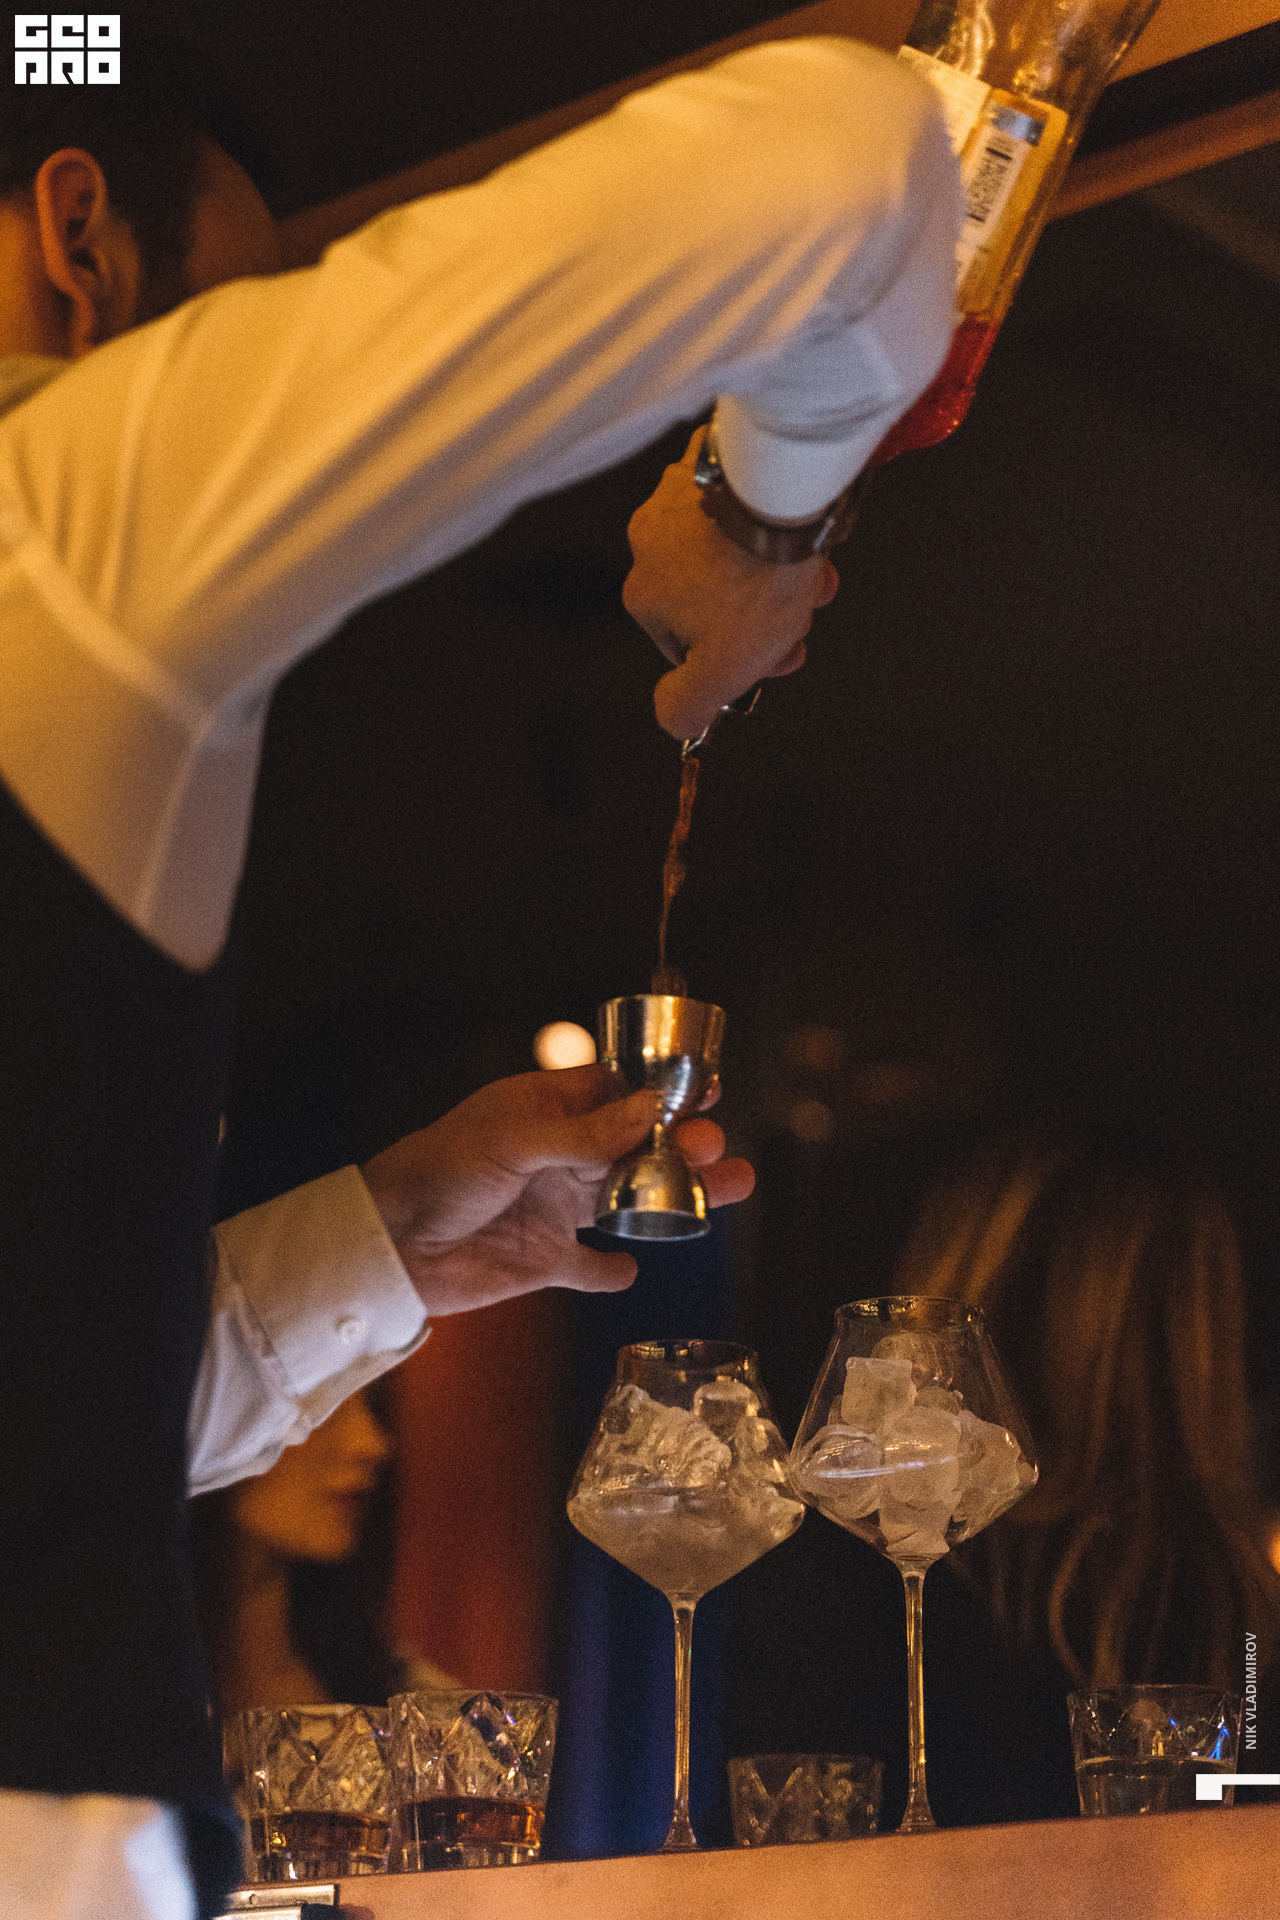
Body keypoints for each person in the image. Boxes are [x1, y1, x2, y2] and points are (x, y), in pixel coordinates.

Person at [0, 21, 961, 1918]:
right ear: (79, 242)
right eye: (230, 317)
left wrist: (383, 1242)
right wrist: (759, 523)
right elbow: (854, 150)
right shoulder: (62, 507)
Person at [726, 1124, 1280, 1828]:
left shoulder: (850, 1563)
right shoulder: (1238, 1611)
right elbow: (1256, 1810)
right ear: (1199, 1333)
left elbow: (773, 1826)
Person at [191, 1386, 451, 1714]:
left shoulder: (419, 1705)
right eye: (319, 1404)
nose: (371, 1443)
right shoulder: (134, 1691)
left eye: (370, 1406)